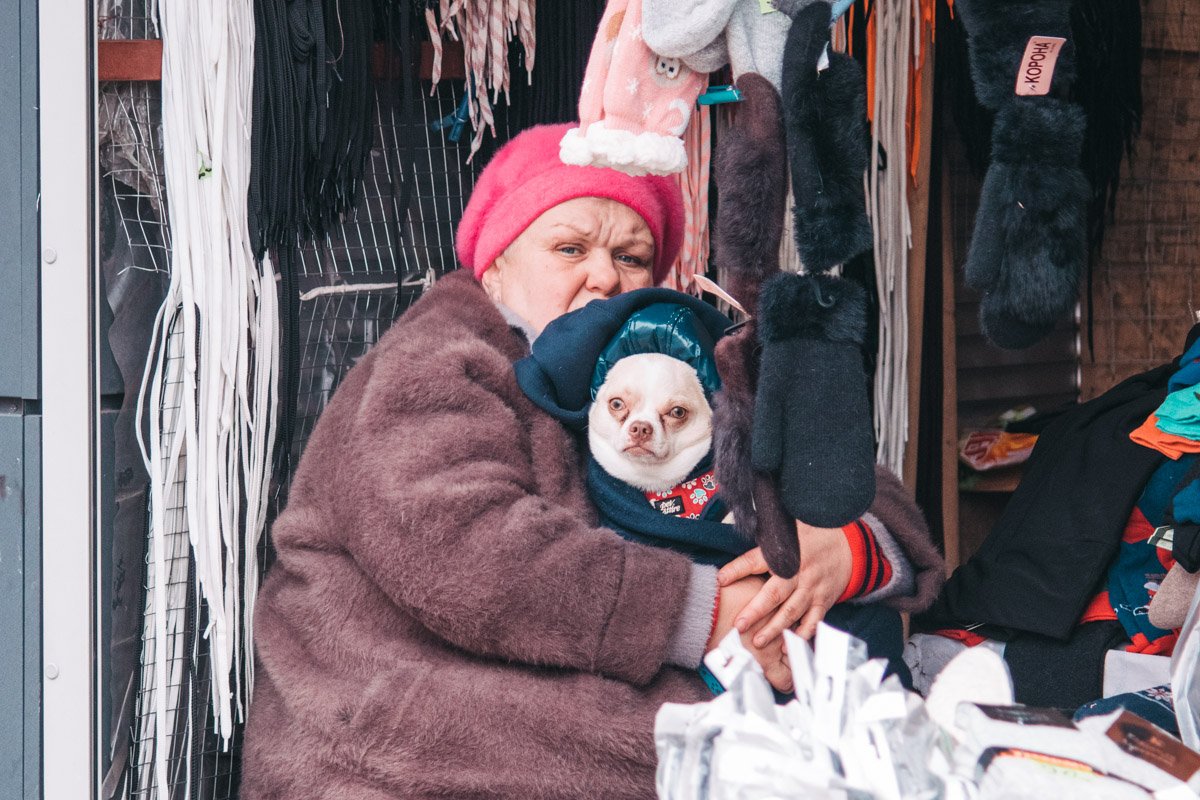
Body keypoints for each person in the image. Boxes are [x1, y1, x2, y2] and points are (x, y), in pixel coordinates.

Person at [241, 123, 942, 799]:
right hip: (399, 748)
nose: (604, 276)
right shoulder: (438, 363)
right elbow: (470, 555)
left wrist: (844, 547)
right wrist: (706, 612)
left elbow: (857, 482)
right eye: (570, 249)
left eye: (632, 258)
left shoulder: (668, 355)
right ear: (495, 264)